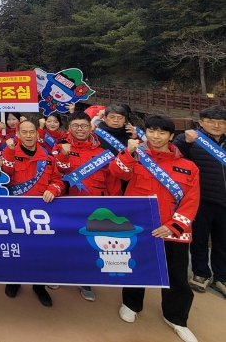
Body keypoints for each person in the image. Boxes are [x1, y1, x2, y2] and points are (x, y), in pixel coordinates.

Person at [110, 115, 200, 342]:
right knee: (135, 267)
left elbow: (191, 200)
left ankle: (176, 317)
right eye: (151, 131)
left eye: (161, 132)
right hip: (140, 228)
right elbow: (117, 172)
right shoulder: (136, 156)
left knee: (177, 275)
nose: (156, 136)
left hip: (173, 231)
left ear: (171, 136)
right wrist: (128, 152)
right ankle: (131, 304)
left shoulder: (188, 166)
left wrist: (173, 226)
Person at [55, 111, 121, 302]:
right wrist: (63, 155)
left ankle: (85, 280)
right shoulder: (60, 148)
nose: (80, 129)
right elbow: (54, 173)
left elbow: (113, 183)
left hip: (94, 207)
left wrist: (113, 206)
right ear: (69, 128)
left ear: (91, 127)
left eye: (84, 125)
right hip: (66, 205)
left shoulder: (103, 153)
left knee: (89, 244)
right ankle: (58, 274)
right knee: (64, 242)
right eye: (75, 125)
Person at [0, 119, 63, 307]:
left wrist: (53, 189)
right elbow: (4, 176)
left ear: (37, 134)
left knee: (40, 252)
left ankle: (39, 286)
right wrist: (9, 152)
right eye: (24, 132)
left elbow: (58, 181)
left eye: (31, 132)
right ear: (18, 134)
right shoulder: (9, 153)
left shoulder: (48, 159)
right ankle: (14, 281)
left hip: (41, 215)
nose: (28, 135)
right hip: (15, 214)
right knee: (15, 250)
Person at [173, 106, 226, 298]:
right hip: (201, 200)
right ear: (201, 122)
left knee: (223, 241)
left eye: (221, 122)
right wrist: (184, 141)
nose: (216, 125)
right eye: (211, 121)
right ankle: (201, 273)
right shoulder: (192, 140)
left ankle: (221, 277)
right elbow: (175, 153)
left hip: (224, 202)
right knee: (199, 239)